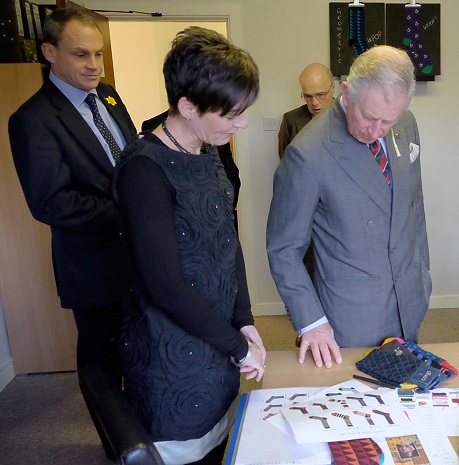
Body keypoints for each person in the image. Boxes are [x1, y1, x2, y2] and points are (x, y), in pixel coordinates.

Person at [113, 27, 265, 464]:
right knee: (185, 452)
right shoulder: (144, 169)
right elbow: (165, 284)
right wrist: (237, 347)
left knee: (222, 443)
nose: (243, 123)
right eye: (232, 114)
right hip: (171, 350)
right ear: (187, 106)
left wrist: (244, 319)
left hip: (215, 335)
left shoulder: (207, 148)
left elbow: (225, 238)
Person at [8, 7, 137, 458]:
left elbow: (130, 161)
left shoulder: (112, 98)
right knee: (102, 363)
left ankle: (145, 433)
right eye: (81, 54)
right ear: (49, 53)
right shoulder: (33, 119)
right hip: (94, 268)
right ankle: (115, 446)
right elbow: (52, 202)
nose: (94, 65)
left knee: (139, 352)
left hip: (137, 258)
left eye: (98, 54)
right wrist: (130, 212)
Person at [267, 45, 431, 368]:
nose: (377, 131)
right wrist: (311, 321)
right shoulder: (308, 153)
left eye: (388, 120)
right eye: (369, 117)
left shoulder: (407, 124)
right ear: (346, 92)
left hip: (408, 300)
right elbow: (283, 248)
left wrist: (423, 275)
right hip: (352, 317)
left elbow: (414, 207)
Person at [142, 110, 242, 225]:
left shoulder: (217, 124)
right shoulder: (153, 126)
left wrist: (224, 209)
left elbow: (231, 172)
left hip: (223, 216)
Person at [277, 62, 335, 158]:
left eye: (320, 95)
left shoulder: (349, 116)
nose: (314, 102)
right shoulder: (290, 120)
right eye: (308, 96)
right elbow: (286, 163)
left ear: (332, 88)